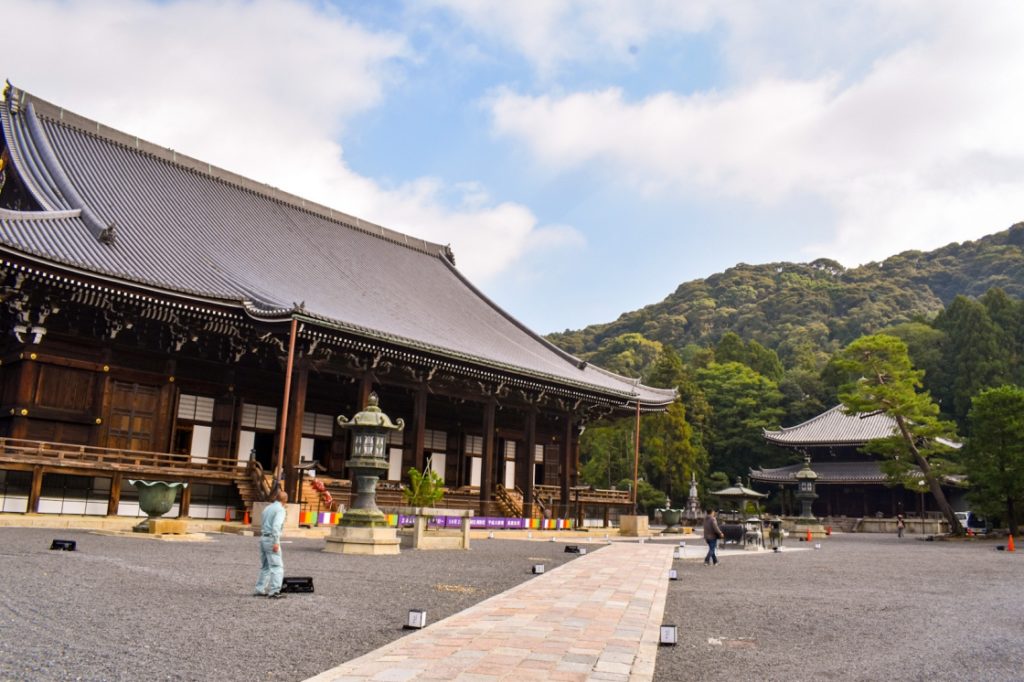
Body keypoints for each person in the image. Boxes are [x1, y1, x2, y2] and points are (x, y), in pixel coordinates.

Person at [254, 489, 288, 598]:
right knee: (277, 566)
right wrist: (276, 541)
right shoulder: (280, 510)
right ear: (285, 500)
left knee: (265, 566)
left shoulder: (267, 508)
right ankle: (274, 591)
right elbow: (276, 526)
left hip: (263, 538)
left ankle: (260, 589)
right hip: (271, 539)